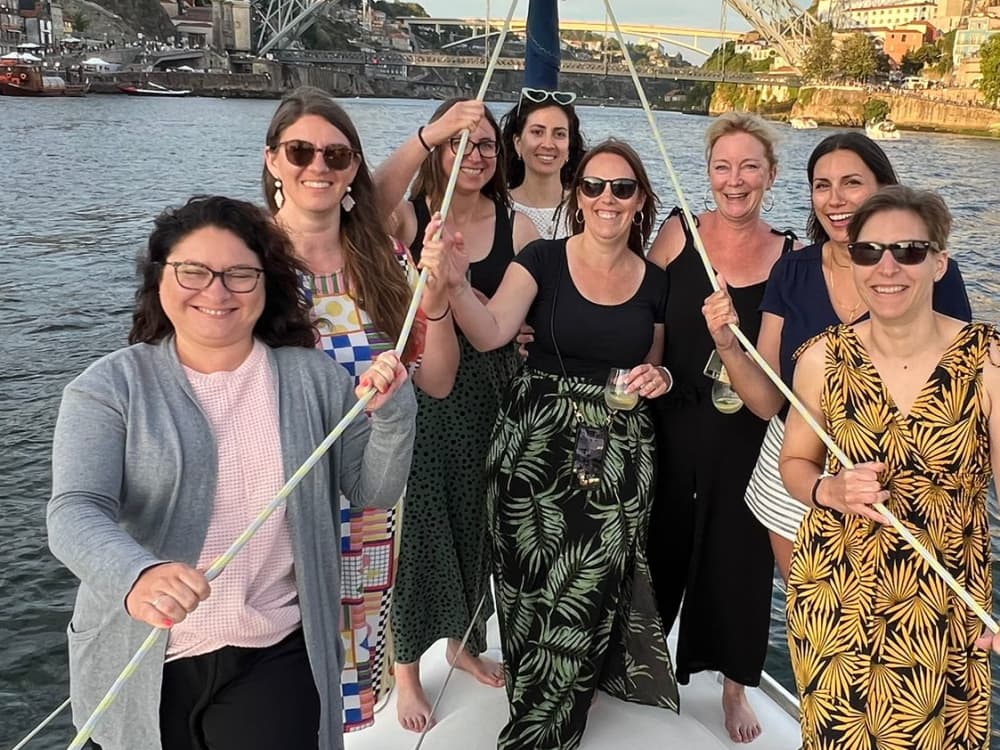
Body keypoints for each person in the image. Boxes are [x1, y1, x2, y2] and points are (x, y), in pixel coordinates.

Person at [47, 196, 418, 750]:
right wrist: (137, 574)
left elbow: (374, 490)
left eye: (240, 274)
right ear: (158, 278)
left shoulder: (313, 379)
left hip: (272, 648)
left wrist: (393, 412)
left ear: (265, 283)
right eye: (193, 271)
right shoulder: (109, 388)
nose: (216, 292)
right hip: (144, 656)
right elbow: (74, 510)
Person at [422, 139, 679, 750]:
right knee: (527, 577)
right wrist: (455, 285)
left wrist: (661, 378)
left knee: (588, 584)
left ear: (640, 200)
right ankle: (536, 697)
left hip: (612, 447)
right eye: (593, 186)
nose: (607, 199)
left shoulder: (658, 282)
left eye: (622, 188)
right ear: (577, 196)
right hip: (533, 440)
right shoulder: (540, 258)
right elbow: (489, 334)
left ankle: (548, 728)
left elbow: (654, 368)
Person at [262, 86, 458, 732]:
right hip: (277, 489)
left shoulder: (385, 260)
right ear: (273, 163)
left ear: (352, 171)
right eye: (301, 151)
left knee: (347, 665)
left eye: (337, 154)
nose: (319, 165)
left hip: (370, 501)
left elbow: (435, 380)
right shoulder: (247, 262)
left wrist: (434, 299)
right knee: (271, 661)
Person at [779, 185, 999, 750]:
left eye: (908, 250)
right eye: (868, 252)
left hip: (945, 601)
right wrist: (830, 489)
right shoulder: (821, 357)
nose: (887, 267)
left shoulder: (988, 360)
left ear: (938, 262)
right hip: (836, 595)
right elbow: (796, 463)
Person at [703, 132, 971, 581]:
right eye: (821, 185)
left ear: (884, 189)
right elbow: (769, 402)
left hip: (901, 479)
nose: (834, 199)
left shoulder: (928, 272)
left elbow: (959, 387)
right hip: (798, 471)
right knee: (815, 621)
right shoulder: (793, 269)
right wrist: (728, 344)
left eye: (851, 182)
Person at [375, 99, 539, 732]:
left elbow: (519, 309)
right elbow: (364, 201)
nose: (475, 156)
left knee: (478, 521)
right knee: (423, 523)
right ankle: (407, 667)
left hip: (496, 388)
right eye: (461, 145)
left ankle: (462, 642)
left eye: (487, 146)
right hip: (429, 383)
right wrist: (428, 133)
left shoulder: (518, 226)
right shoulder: (411, 216)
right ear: (441, 152)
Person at [646, 112, 797, 744]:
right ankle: (643, 669)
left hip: (746, 434)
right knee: (656, 549)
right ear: (707, 173)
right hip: (671, 420)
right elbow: (643, 315)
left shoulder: (791, 256)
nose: (735, 181)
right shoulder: (678, 232)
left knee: (738, 561)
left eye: (749, 167)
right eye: (722, 167)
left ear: (770, 175)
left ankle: (735, 684)